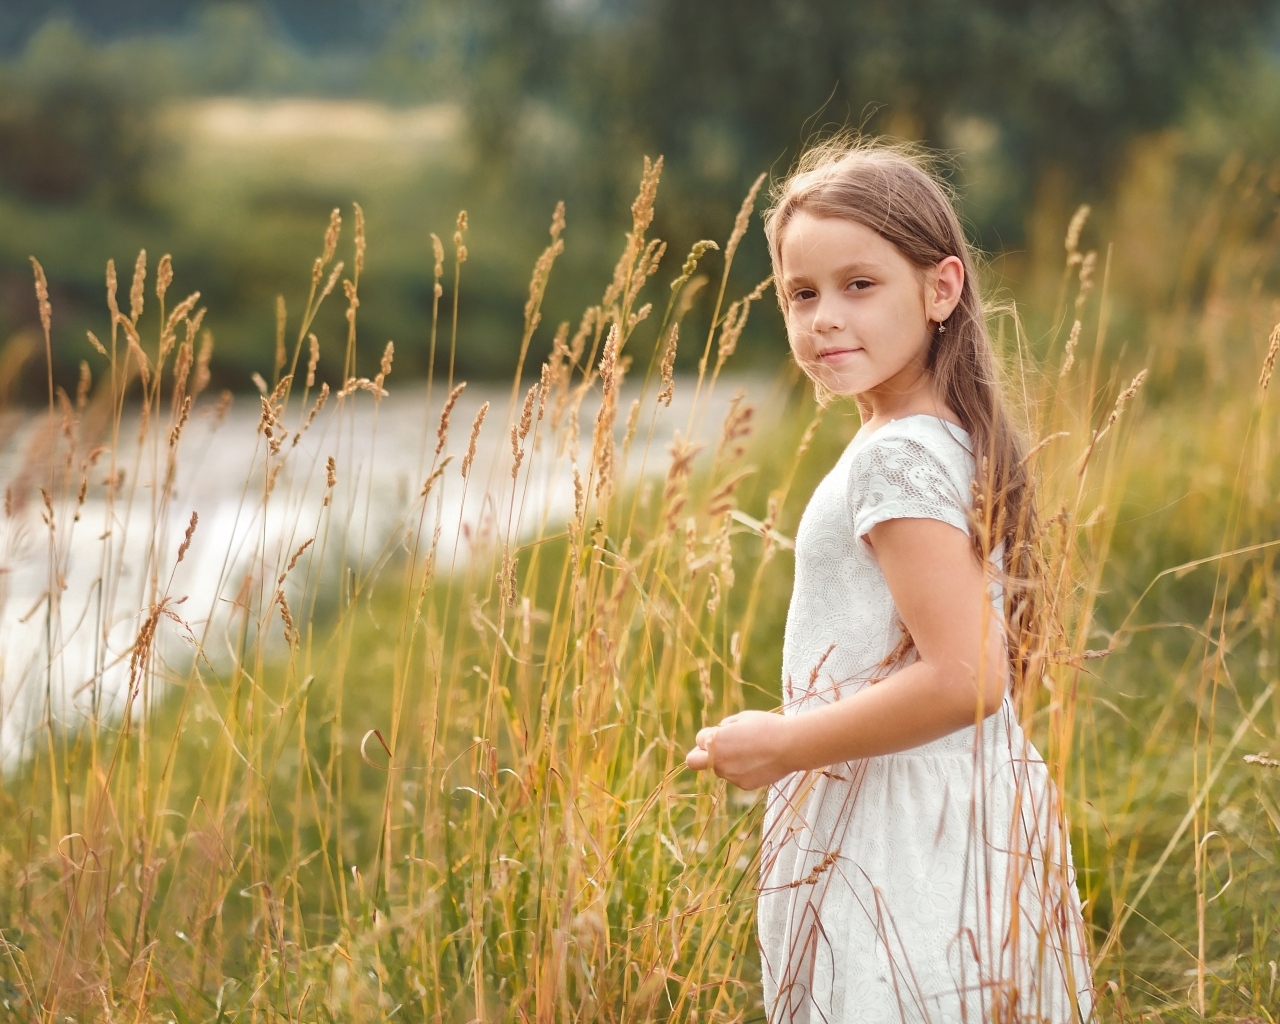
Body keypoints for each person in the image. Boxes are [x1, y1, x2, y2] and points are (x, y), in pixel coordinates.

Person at [685, 138, 1094, 1023]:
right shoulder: (927, 432)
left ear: (940, 289)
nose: (825, 317)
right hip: (950, 804)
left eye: (859, 285)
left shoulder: (899, 456)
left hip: (904, 827)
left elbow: (968, 676)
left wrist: (782, 745)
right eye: (802, 293)